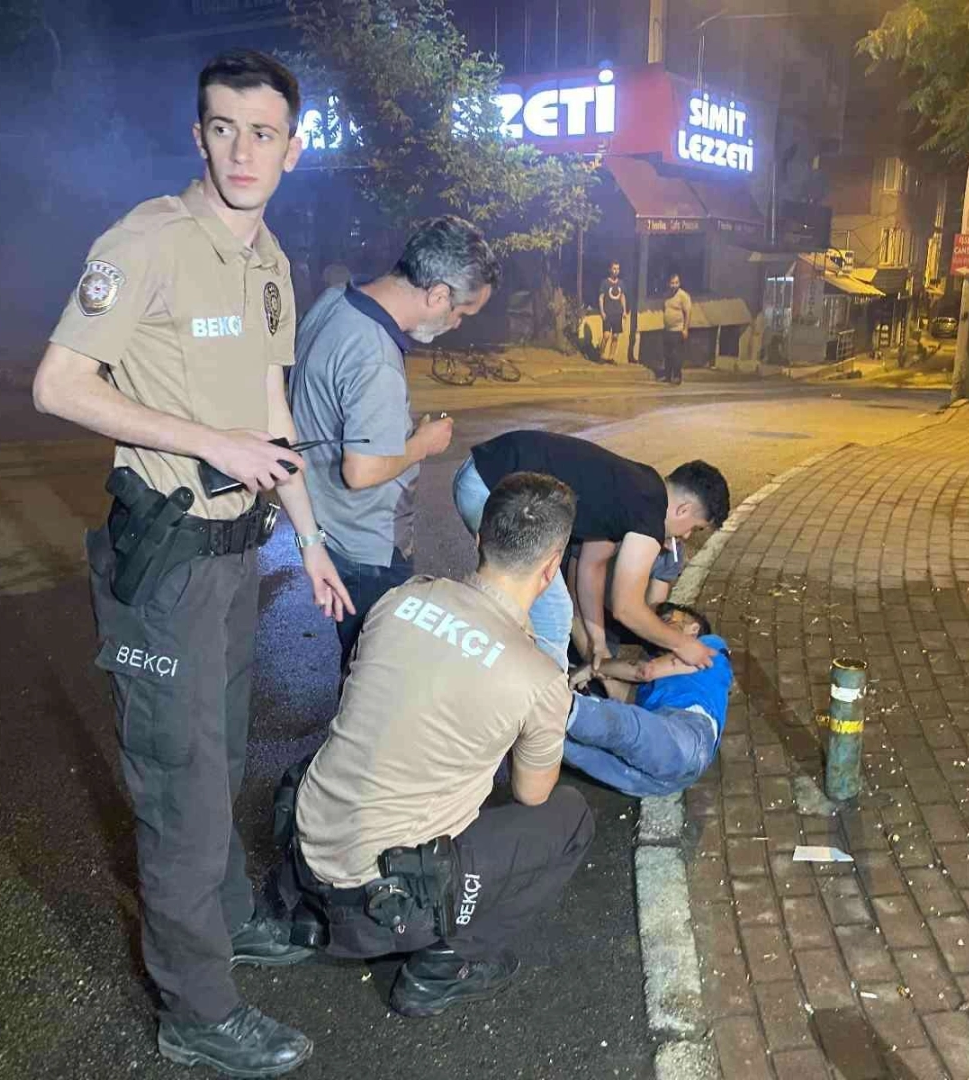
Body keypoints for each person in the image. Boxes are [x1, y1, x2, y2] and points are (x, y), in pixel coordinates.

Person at [31, 50, 347, 1078]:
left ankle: (227, 919)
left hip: (235, 556)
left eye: (263, 132)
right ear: (197, 135)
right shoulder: (148, 242)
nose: (242, 150)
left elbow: (271, 412)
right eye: (223, 128)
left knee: (220, 753)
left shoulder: (270, 262)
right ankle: (197, 1012)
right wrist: (210, 443)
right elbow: (59, 384)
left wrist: (310, 536)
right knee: (181, 787)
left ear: (293, 149)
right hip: (165, 563)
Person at [281, 473, 595, 1017]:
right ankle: (445, 966)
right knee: (570, 818)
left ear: (479, 538)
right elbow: (531, 794)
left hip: (302, 854)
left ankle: (299, 909)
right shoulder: (538, 678)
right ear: (551, 568)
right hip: (380, 905)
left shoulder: (401, 599)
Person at [289, 216, 499, 687]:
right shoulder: (375, 356)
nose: (456, 325)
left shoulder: (337, 301)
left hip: (331, 524)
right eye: (462, 313)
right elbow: (361, 470)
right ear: (439, 295)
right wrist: (422, 444)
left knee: (362, 663)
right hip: (368, 543)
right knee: (379, 681)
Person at [452, 429, 729, 673]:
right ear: (683, 509)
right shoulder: (650, 516)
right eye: (695, 528)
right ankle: (545, 705)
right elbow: (627, 607)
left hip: (485, 469)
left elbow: (591, 567)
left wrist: (597, 642)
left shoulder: (640, 488)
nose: (686, 536)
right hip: (490, 485)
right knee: (554, 613)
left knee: (526, 598)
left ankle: (475, 653)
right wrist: (683, 644)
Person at [565, 603, 732, 797]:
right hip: (665, 776)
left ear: (694, 628)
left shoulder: (710, 645)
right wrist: (601, 674)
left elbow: (645, 671)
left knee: (615, 728)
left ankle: (554, 701)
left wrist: (592, 669)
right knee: (563, 743)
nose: (659, 627)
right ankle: (549, 708)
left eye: (668, 619)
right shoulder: (653, 687)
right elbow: (624, 698)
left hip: (689, 736)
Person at [568, 537, 685, 663]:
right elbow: (574, 603)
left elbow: (653, 610)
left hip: (606, 616)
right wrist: (593, 651)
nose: (686, 536)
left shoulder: (672, 551)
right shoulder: (608, 536)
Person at [659, 272, 692, 385]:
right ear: (668, 283)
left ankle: (677, 376)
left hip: (678, 330)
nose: (674, 285)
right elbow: (664, 309)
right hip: (667, 329)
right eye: (672, 283)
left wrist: (685, 329)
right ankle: (668, 376)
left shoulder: (683, 296)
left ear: (679, 283)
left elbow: (688, 313)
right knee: (667, 354)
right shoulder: (666, 295)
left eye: (676, 283)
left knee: (676, 355)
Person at [597, 261, 628, 363]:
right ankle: (601, 355)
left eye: (618, 269)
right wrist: (602, 312)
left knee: (615, 337)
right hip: (607, 313)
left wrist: (624, 311)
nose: (616, 271)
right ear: (610, 269)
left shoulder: (621, 283)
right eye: (614, 268)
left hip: (617, 313)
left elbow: (622, 297)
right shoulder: (605, 283)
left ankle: (611, 357)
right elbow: (601, 298)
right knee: (606, 335)